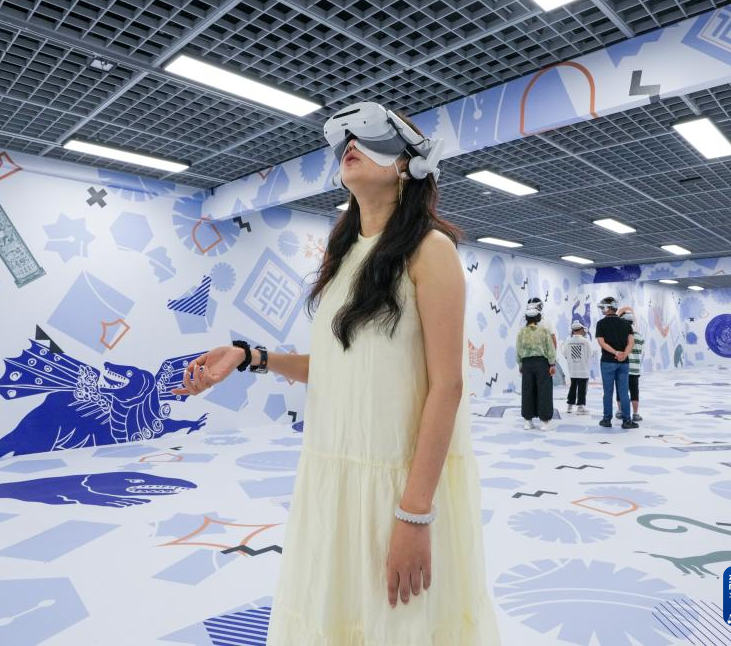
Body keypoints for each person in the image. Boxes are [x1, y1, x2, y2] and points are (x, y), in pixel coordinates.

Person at [171, 101, 500, 644]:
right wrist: (250, 356)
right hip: (333, 478)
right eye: (345, 138)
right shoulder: (343, 255)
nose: (351, 144)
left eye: (371, 137)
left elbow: (448, 386)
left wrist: (415, 515)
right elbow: (337, 367)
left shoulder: (430, 250)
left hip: (397, 484)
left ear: (409, 164)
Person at [595, 296, 636, 429]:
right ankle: (627, 420)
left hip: (607, 361)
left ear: (608, 308)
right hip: (624, 363)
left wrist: (615, 353)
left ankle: (606, 420)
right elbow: (631, 343)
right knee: (624, 393)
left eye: (603, 307)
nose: (602, 310)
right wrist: (624, 354)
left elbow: (602, 343)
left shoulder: (601, 324)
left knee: (608, 392)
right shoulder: (626, 324)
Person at [516, 306, 556, 431]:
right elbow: (550, 348)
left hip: (527, 363)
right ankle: (544, 422)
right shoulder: (544, 331)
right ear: (538, 317)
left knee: (527, 391)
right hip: (542, 363)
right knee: (544, 391)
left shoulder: (521, 332)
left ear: (526, 318)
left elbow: (518, 350)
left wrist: (520, 364)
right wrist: (552, 364)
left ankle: (528, 421)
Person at [616, 309, 644, 422]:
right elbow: (640, 350)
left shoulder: (621, 336)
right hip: (635, 369)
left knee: (620, 391)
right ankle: (635, 413)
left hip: (622, 368)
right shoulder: (639, 336)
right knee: (634, 391)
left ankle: (620, 411)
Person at [562, 321, 592, 415]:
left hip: (573, 369)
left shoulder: (568, 341)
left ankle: (569, 406)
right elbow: (590, 354)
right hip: (583, 369)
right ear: (581, 330)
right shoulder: (585, 341)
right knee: (582, 388)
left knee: (573, 387)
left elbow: (565, 354)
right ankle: (580, 407)